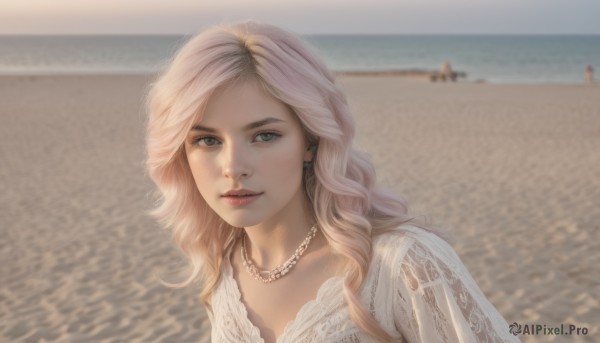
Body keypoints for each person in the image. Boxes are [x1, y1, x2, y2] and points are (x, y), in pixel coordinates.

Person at [146, 21, 518, 342]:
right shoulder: (223, 265)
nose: (233, 167)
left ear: (311, 141)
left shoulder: (403, 265)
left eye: (264, 136)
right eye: (207, 140)